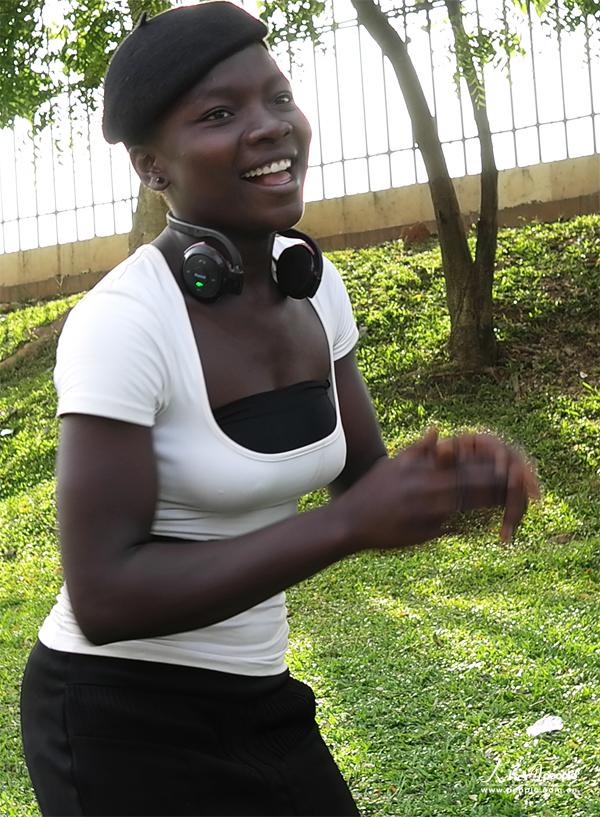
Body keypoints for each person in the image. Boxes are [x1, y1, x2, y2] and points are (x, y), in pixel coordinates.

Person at [19, 3, 539, 816]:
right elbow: (106, 593)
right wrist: (346, 526)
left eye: (279, 98)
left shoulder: (313, 285)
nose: (270, 128)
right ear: (153, 167)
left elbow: (362, 483)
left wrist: (451, 480)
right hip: (114, 715)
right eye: (220, 114)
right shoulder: (124, 323)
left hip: (260, 697)